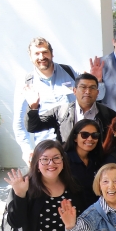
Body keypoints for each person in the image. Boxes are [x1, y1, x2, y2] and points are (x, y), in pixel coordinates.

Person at [14, 37, 91, 166]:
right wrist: (26, 149)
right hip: (46, 151)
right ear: (30, 57)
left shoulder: (70, 73)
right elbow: (19, 122)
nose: (41, 56)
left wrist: (97, 80)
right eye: (37, 54)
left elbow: (95, 97)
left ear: (51, 53)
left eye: (45, 52)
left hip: (75, 147)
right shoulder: (26, 83)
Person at [25, 72, 116, 145]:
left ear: (97, 93)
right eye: (83, 87)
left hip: (97, 164)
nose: (88, 91)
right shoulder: (60, 112)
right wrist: (33, 107)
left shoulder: (108, 115)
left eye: (92, 88)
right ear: (74, 91)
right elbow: (33, 127)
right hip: (68, 163)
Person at [64, 118, 104, 207]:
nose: (90, 139)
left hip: (96, 211)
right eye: (84, 135)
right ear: (75, 138)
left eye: (95, 135)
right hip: (72, 212)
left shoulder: (97, 160)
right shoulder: (64, 160)